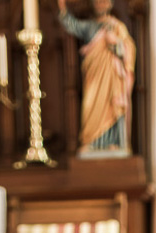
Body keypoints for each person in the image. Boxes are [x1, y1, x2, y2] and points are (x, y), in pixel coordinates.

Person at [58, 0, 136, 157]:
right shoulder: (89, 26)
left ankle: (114, 142)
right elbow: (73, 25)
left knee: (112, 107)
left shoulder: (117, 26)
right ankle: (91, 142)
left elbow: (129, 48)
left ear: (110, 4)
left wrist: (116, 43)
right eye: (98, 1)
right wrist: (62, 7)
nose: (101, 4)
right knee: (91, 105)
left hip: (113, 77)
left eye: (104, 1)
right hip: (94, 75)